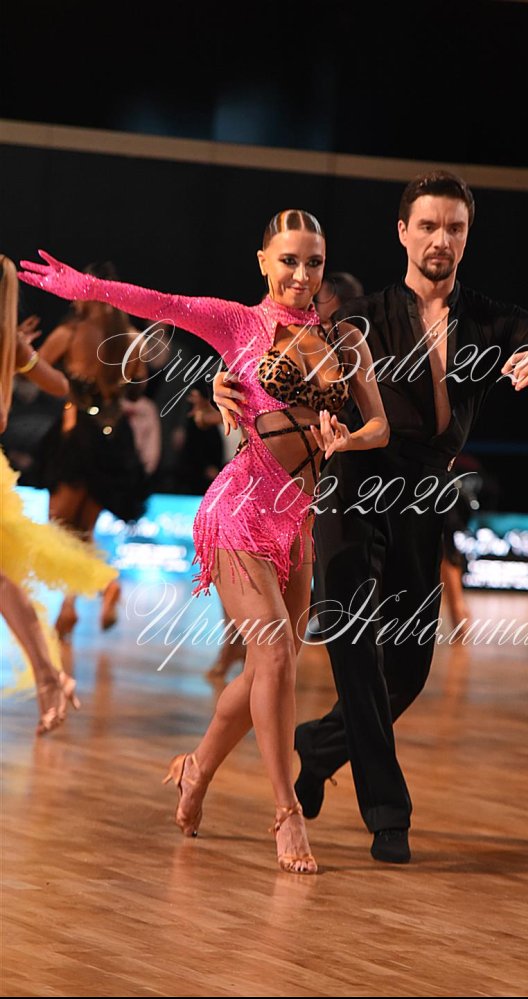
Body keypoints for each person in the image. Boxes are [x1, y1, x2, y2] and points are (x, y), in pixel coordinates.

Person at [214, 171, 528, 864]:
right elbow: (272, 351)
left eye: (454, 227)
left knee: (411, 667)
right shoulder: (358, 318)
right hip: (352, 488)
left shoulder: (489, 319)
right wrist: (227, 384)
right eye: (427, 225)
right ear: (403, 232)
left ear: (467, 236)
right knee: (355, 649)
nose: (440, 239)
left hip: (426, 494)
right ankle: (388, 815)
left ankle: (317, 747)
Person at [18, 209, 389, 875]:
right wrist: (89, 288)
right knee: (273, 655)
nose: (301, 275)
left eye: (313, 262)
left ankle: (196, 769)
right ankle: (286, 812)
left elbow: (379, 427)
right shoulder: (237, 323)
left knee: (267, 671)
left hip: (299, 520)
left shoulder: (344, 339)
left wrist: (348, 439)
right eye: (288, 260)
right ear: (263, 261)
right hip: (241, 508)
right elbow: (160, 303)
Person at [0, 254, 118, 735]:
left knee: (25, 561)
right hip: (104, 438)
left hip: (80, 442)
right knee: (10, 576)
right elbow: (59, 384)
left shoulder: (55, 336)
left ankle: (52, 671)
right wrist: (17, 354)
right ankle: (52, 671)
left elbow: (62, 384)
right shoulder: (10, 342)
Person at [33, 262, 150, 639]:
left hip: (77, 435)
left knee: (59, 528)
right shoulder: (133, 338)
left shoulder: (70, 332)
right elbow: (138, 391)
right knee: (82, 531)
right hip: (113, 441)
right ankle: (71, 607)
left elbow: (34, 370)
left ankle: (103, 586)